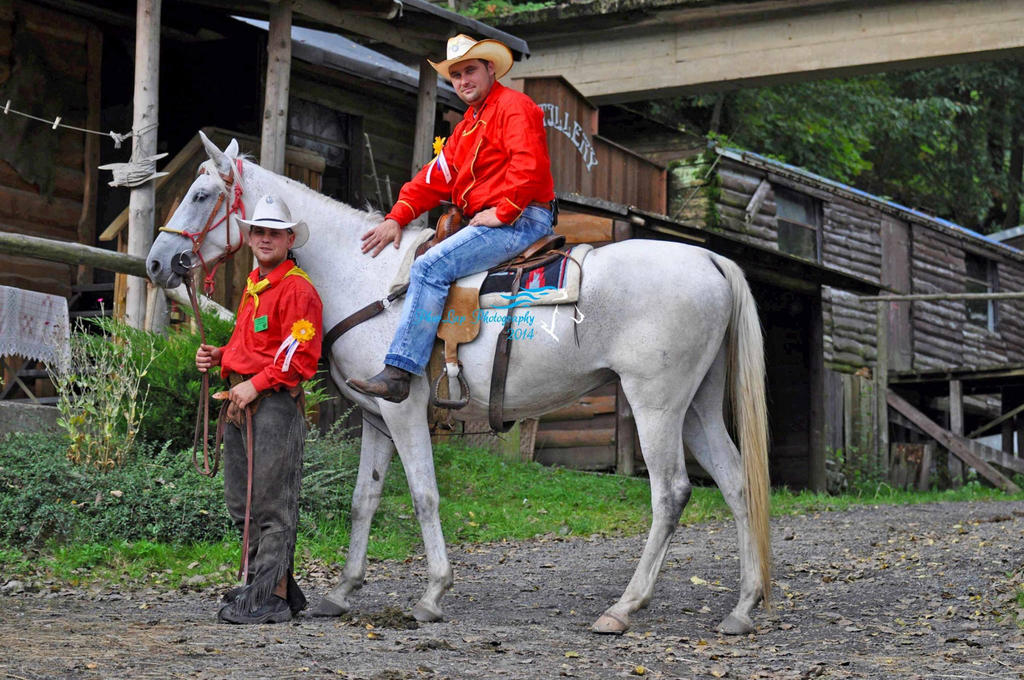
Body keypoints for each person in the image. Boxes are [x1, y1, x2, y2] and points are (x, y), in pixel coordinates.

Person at [347, 33, 556, 403]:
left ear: (491, 69)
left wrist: (504, 211)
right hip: (502, 217)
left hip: (523, 217)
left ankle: (399, 372)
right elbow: (434, 177)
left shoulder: (515, 107)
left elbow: (530, 166)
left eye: (471, 71)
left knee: (429, 267)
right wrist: (397, 216)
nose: (463, 81)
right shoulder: (466, 127)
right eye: (456, 75)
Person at [195, 194, 323, 624]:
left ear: (289, 239)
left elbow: (300, 359)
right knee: (242, 504)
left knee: (271, 505)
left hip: (272, 409)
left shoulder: (298, 290)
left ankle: (270, 596)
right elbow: (257, 348)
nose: (265, 239)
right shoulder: (255, 286)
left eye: (275, 232)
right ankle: (265, 585)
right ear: (249, 237)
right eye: (259, 231)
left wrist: (255, 383)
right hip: (240, 405)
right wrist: (221, 356)